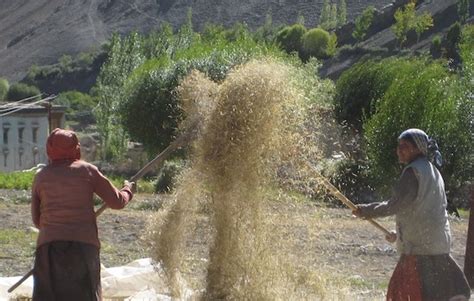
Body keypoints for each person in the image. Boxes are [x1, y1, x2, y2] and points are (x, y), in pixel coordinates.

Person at [353, 128, 471, 301]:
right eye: (398, 146)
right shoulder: (433, 171)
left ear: (418, 149)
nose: (399, 150)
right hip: (437, 247)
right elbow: (422, 210)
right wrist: (399, 235)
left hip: (420, 253)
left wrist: (366, 210)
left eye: (405, 146)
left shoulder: (413, 172)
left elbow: (395, 205)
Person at [31, 128, 134, 301]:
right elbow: (117, 202)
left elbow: (37, 220)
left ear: (50, 148)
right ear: (76, 148)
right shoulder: (88, 171)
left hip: (49, 249)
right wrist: (128, 190)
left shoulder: (41, 177)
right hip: (83, 248)